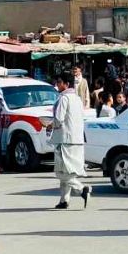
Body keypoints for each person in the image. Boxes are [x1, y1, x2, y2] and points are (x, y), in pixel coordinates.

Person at [47, 71, 91, 210]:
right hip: (76, 138)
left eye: (59, 82)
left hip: (65, 139)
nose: (57, 85)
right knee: (67, 171)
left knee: (61, 172)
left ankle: (82, 189)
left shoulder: (64, 98)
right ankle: (64, 200)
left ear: (66, 84)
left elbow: (58, 119)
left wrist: (49, 124)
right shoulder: (77, 98)